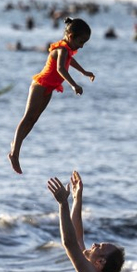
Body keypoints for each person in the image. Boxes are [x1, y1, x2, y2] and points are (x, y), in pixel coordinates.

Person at [8, 18, 95, 174]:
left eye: (84, 43)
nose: (81, 46)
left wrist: (84, 72)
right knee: (28, 118)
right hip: (40, 86)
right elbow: (61, 68)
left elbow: (70, 61)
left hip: (49, 88)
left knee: (33, 121)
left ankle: (16, 145)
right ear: (70, 35)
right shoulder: (61, 49)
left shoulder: (67, 50)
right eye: (81, 41)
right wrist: (74, 85)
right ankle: (14, 153)